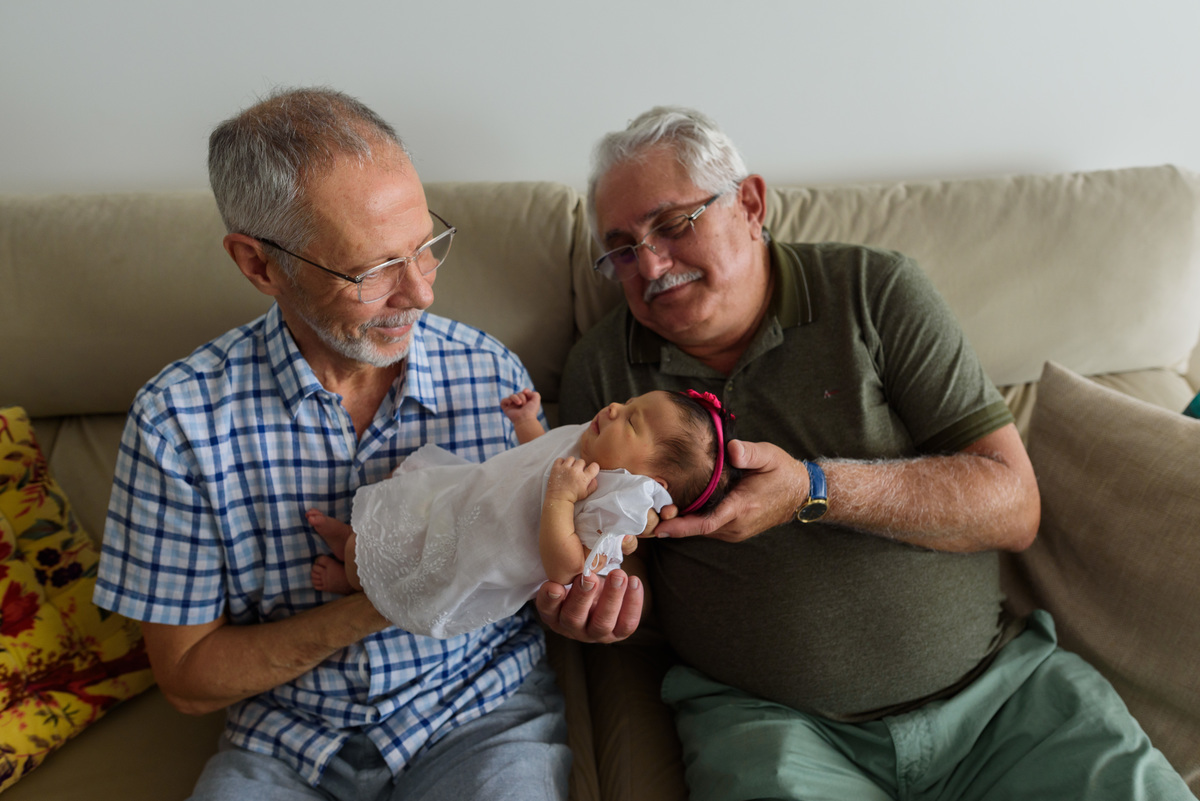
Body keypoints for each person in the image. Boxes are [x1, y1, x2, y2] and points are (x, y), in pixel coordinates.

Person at [541, 106, 1194, 800]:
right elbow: (617, 563)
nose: (649, 264)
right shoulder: (603, 373)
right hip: (772, 727)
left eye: (673, 225)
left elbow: (1014, 505)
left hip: (999, 699)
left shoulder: (873, 292)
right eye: (622, 249)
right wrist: (593, 602)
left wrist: (815, 490)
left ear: (751, 204)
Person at [93, 87, 570, 801]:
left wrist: (576, 598)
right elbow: (188, 678)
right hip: (286, 741)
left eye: (425, 249)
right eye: (372, 270)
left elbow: (544, 565)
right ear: (259, 265)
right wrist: (394, 591)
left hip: (479, 712)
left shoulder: (491, 376)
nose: (421, 293)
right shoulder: (177, 423)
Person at [308, 388, 737, 639]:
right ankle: (353, 540)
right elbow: (539, 457)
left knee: (397, 568)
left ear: (649, 486)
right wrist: (525, 421)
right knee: (401, 516)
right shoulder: (592, 443)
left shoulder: (614, 507)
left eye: (631, 422)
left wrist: (561, 499)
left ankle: (350, 577)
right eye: (627, 403)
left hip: (477, 554)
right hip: (467, 505)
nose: (613, 409)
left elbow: (566, 569)